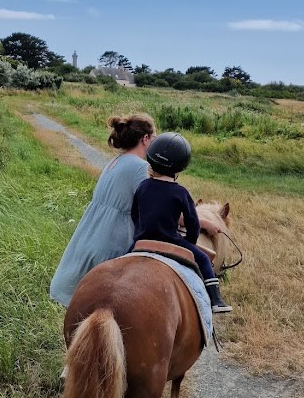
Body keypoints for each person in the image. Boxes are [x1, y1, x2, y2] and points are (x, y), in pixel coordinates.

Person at [50, 112, 156, 308]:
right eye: (154, 138)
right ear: (146, 138)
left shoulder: (114, 162)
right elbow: (152, 207)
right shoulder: (141, 167)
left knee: (84, 306)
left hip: (90, 234)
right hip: (112, 239)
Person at [130, 132, 232, 313]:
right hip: (171, 241)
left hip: (141, 240)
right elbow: (193, 223)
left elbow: (134, 214)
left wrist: (141, 230)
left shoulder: (143, 186)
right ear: (179, 168)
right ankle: (216, 300)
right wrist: (190, 242)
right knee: (203, 259)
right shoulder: (181, 192)